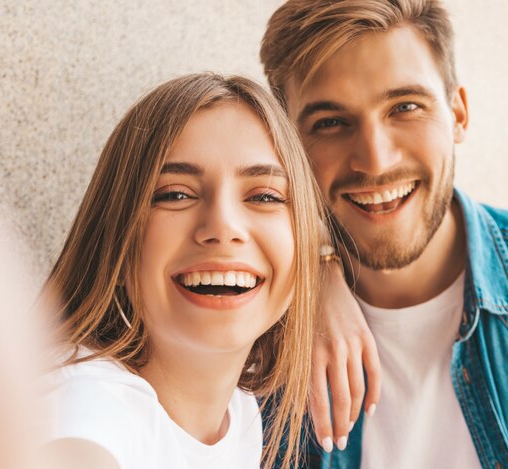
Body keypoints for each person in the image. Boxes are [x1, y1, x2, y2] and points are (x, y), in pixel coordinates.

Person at [260, 1, 508, 467]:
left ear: (458, 114)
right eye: (330, 123)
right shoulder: (258, 335)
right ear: (287, 147)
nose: (376, 160)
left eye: (405, 107)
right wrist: (312, 276)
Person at [36, 73, 324, 469]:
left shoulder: (242, 419)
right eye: (174, 194)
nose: (223, 227)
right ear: (116, 239)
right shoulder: (80, 401)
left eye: (264, 196)